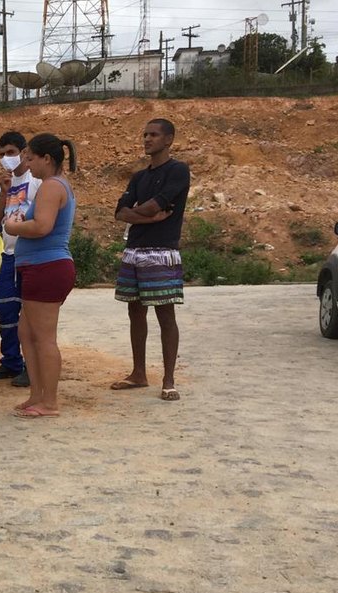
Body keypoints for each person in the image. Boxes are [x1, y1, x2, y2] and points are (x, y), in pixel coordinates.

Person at [112, 118, 191, 402]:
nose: (147, 139)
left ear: (169, 139)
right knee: (135, 312)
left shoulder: (178, 171)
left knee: (165, 315)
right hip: (134, 251)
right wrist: (146, 216)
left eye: (154, 134)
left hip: (162, 250)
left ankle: (169, 379)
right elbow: (120, 212)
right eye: (145, 134)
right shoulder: (138, 177)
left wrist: (140, 214)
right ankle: (139, 373)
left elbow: (152, 206)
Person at [4, 134, 78, 418]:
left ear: (46, 159)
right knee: (27, 332)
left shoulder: (50, 186)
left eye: (31, 158)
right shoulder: (55, 185)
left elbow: (42, 226)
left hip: (46, 267)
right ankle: (37, 393)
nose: (28, 164)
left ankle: (49, 401)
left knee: (44, 337)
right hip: (41, 266)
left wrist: (13, 227)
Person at [0, 131, 41, 388]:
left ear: (24, 152)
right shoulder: (4, 184)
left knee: (31, 314)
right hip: (9, 256)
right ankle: (11, 361)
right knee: (6, 310)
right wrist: (4, 193)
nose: (6, 158)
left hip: (32, 255)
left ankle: (33, 366)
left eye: (10, 152)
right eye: (1, 155)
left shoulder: (37, 180)